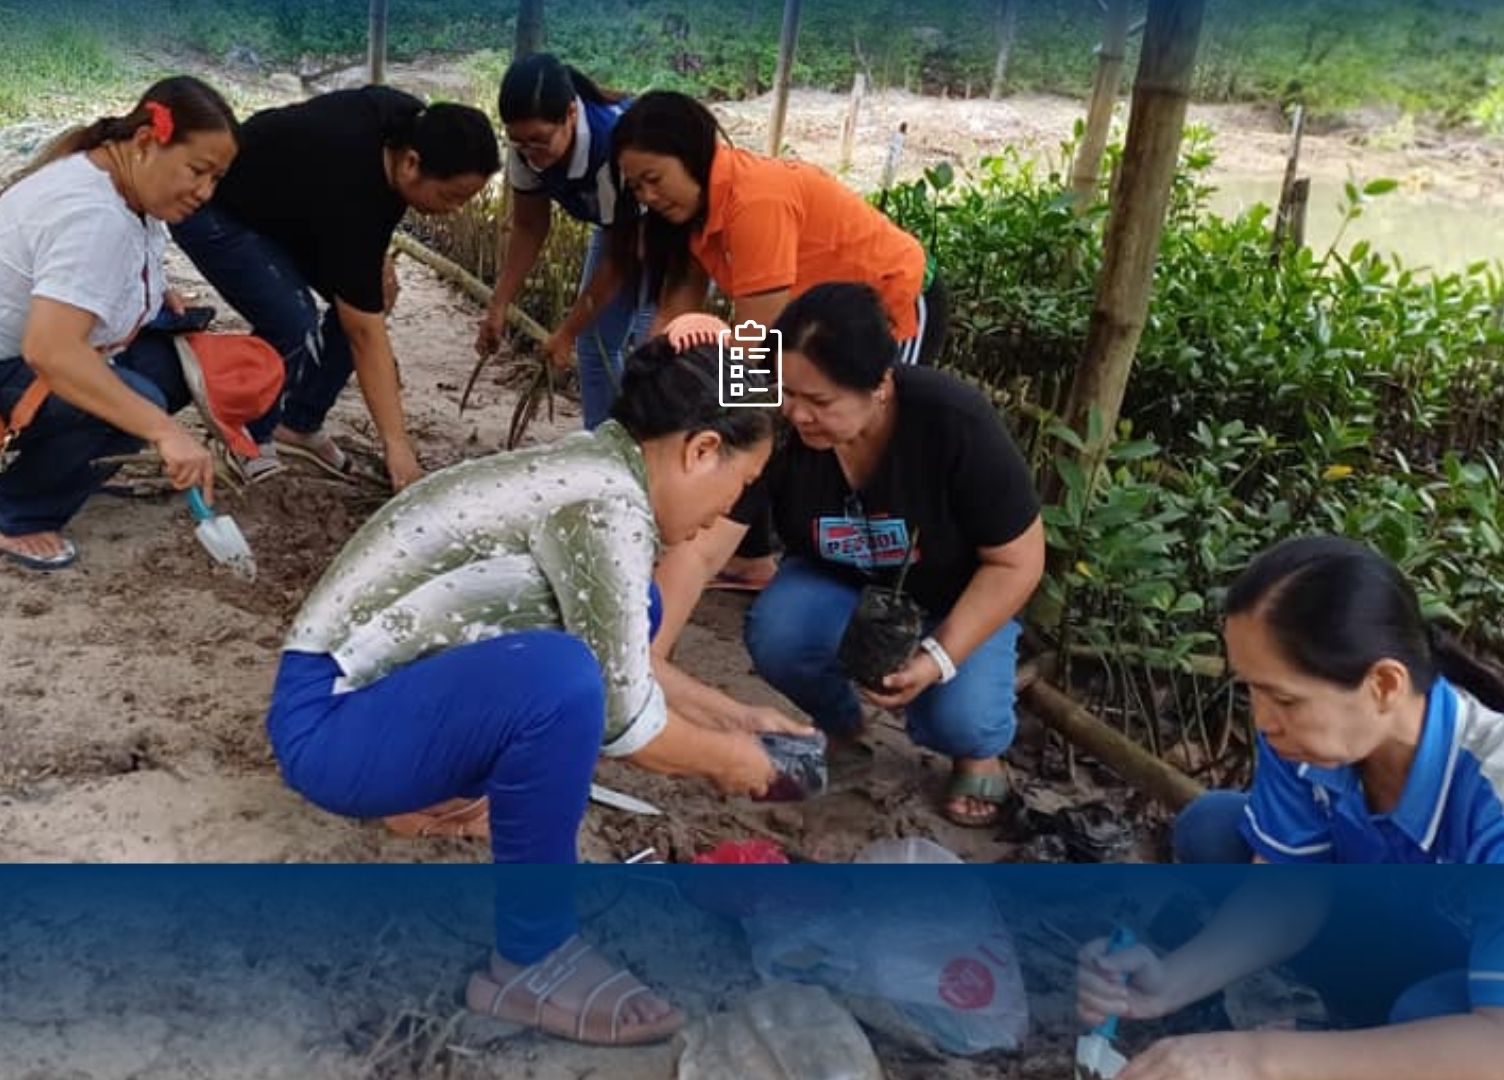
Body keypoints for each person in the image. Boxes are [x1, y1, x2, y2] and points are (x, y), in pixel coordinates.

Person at [267, 337, 804, 1044]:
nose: (734, 508)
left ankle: (429, 796)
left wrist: (735, 717)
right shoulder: (605, 505)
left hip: (354, 703)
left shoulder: (596, 468)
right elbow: (624, 720)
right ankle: (533, 957)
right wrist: (738, 764)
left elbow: (624, 660)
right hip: (330, 730)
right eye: (745, 481)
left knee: (618, 626)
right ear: (702, 450)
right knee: (561, 682)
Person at [1076, 536, 1504, 1080]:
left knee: (1430, 1010)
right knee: (1217, 829)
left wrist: (1258, 1059)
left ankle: (1397, 1037)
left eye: (1284, 699)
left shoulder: (1493, 787)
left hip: (1474, 975)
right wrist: (1169, 983)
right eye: (1254, 692)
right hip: (1419, 927)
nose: (1263, 721)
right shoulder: (1306, 745)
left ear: (1383, 685)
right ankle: (1381, 1038)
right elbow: (1289, 892)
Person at [652, 285, 1044, 827]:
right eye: (786, 391)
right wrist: (649, 653)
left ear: (880, 385)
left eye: (820, 402)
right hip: (839, 584)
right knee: (780, 631)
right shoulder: (771, 418)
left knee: (961, 717)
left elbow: (1018, 561)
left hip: (953, 600)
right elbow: (699, 551)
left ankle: (978, 754)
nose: (796, 413)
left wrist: (938, 656)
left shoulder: (953, 421)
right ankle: (842, 726)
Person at [0, 77, 242, 571]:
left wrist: (152, 293)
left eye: (216, 179)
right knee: (138, 401)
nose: (205, 192)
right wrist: (164, 432)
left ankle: (69, 470)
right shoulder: (93, 213)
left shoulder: (121, 183)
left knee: (174, 366)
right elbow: (51, 352)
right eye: (198, 171)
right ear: (145, 142)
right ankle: (11, 513)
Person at [610, 90, 950, 591]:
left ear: (691, 154)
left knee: (855, 425)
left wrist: (701, 419)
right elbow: (672, 318)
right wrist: (645, 401)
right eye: (636, 187)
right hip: (810, 320)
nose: (648, 197)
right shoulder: (690, 215)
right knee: (759, 414)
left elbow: (758, 348)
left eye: (654, 179)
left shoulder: (755, 202)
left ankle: (887, 574)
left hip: (891, 300)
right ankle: (752, 557)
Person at [172, 87, 499, 491]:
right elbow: (364, 334)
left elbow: (359, 224)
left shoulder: (406, 120)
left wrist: (376, 257)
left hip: (289, 211)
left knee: (375, 296)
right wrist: (397, 447)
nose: (454, 209)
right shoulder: (349, 186)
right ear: (411, 163)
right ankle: (245, 434)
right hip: (213, 208)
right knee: (293, 320)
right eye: (451, 196)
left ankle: (299, 423)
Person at [475, 53, 652, 429]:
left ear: (571, 115)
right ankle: (607, 446)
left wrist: (567, 332)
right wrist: (499, 303)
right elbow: (529, 226)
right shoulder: (527, 150)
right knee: (601, 345)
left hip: (675, 236)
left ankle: (678, 445)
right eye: (520, 143)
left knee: (657, 350)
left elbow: (620, 258)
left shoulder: (612, 146)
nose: (530, 153)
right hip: (626, 228)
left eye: (539, 141)